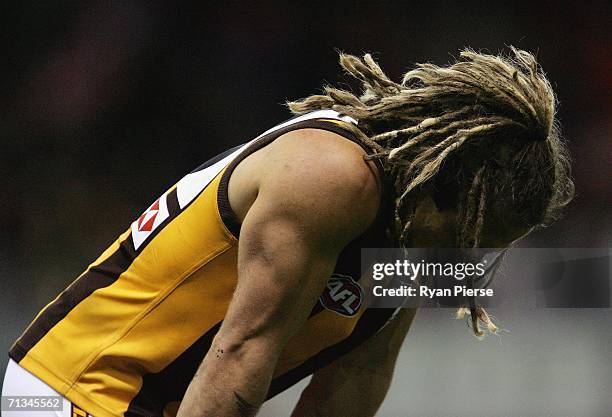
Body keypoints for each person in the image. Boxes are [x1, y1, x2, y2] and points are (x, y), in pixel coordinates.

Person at [3, 47, 573, 417]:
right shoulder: (331, 176)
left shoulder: (410, 227)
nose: (458, 262)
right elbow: (239, 350)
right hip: (69, 391)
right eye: (465, 239)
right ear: (440, 187)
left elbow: (357, 376)